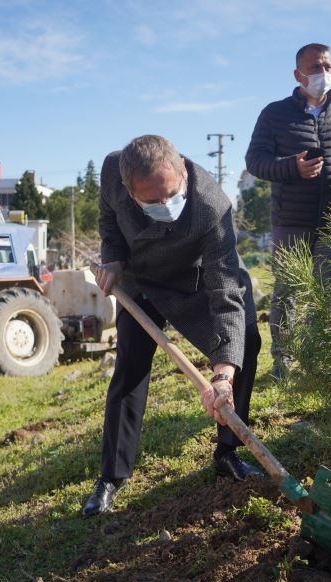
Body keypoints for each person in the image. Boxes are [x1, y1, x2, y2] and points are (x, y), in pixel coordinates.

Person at [84, 135, 263, 517]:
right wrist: (113, 259)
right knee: (130, 370)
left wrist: (223, 374)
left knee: (244, 339)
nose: (166, 205)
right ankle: (112, 476)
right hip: (139, 283)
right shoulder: (111, 172)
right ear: (130, 191)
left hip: (193, 282)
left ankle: (228, 451)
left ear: (182, 168)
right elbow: (108, 221)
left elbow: (225, 289)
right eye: (152, 201)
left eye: (172, 194)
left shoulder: (211, 206)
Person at [245, 43, 331, 380]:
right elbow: (255, 161)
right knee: (287, 292)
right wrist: (292, 167)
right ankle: (282, 364)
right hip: (290, 219)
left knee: (328, 292)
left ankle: (319, 361)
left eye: (327, 66)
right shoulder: (274, 114)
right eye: (315, 68)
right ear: (298, 74)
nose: (323, 74)